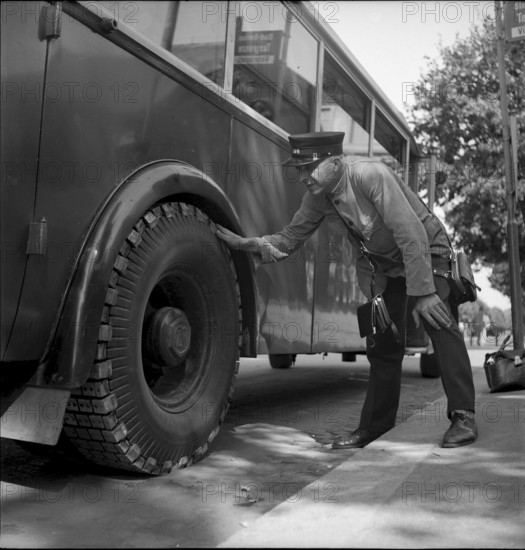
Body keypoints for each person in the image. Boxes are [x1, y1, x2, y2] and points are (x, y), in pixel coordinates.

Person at [216, 131, 478, 449]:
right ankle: (375, 427)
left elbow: (410, 233)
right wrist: (252, 245)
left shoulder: (370, 174)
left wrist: (423, 292)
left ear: (336, 163)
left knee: (439, 323)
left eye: (308, 167)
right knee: (382, 344)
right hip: (383, 267)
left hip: (426, 249)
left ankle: (463, 416)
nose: (302, 176)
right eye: (298, 168)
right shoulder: (317, 197)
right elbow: (289, 239)